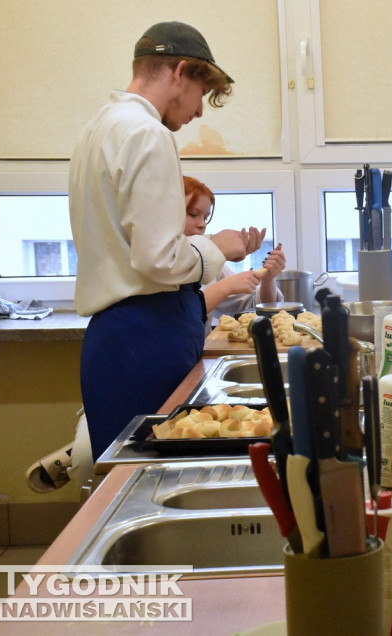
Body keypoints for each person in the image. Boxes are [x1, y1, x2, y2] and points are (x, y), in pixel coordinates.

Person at [69, 22, 261, 458]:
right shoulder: (148, 133)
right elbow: (158, 259)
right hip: (146, 334)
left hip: (112, 338)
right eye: (201, 95)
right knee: (153, 471)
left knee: (121, 476)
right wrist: (217, 248)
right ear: (179, 72)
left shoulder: (98, 129)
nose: (198, 114)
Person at [182, 176, 286, 320]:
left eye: (205, 218)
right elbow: (180, 315)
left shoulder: (209, 259)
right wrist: (225, 287)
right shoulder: (158, 263)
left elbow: (255, 305)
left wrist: (268, 279)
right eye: (193, 214)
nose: (203, 225)